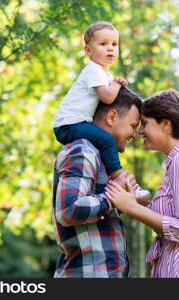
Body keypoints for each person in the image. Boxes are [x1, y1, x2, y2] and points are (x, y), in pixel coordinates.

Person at [106, 90, 179, 278]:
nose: (140, 131)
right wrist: (136, 198)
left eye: (146, 124)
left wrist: (131, 207)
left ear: (166, 124)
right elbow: (174, 220)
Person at [53, 20, 150, 202]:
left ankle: (121, 184)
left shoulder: (103, 74)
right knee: (106, 140)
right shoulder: (93, 70)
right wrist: (115, 83)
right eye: (103, 44)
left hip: (77, 123)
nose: (110, 49)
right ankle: (120, 177)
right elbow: (107, 98)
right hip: (69, 125)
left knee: (102, 144)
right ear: (89, 50)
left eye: (114, 44)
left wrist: (114, 82)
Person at [52, 87, 143, 278]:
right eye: (133, 125)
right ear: (112, 117)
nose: (135, 134)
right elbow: (68, 209)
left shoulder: (101, 159)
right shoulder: (83, 150)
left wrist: (128, 197)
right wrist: (114, 197)